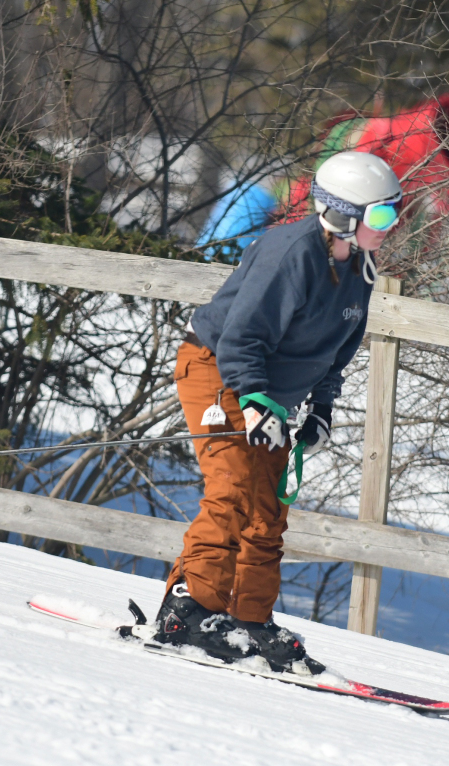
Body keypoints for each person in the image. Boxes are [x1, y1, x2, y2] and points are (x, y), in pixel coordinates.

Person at [153, 151, 403, 675]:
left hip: (268, 395)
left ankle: (246, 619)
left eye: (395, 212)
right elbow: (241, 337)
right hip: (219, 371)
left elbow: (335, 352)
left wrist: (321, 407)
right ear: (342, 215)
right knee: (233, 489)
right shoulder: (290, 254)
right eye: (381, 214)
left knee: (268, 509)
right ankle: (188, 611)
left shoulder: (359, 269)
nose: (391, 225)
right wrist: (252, 400)